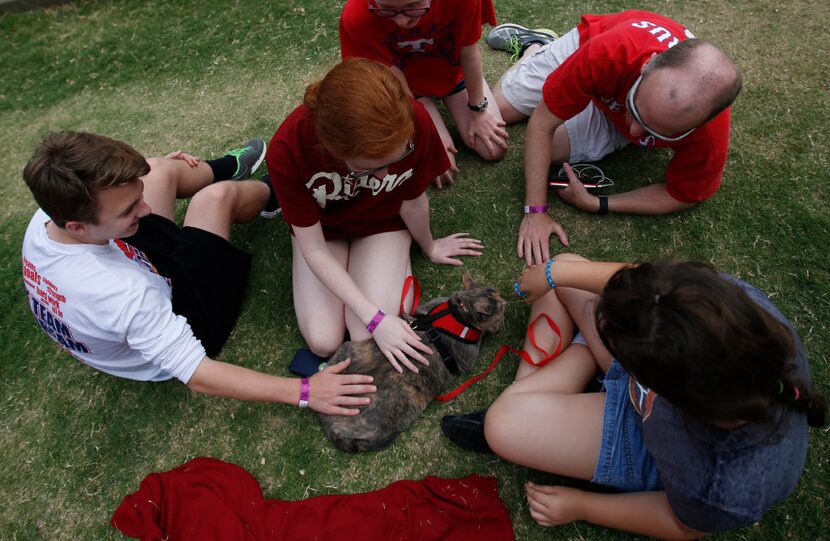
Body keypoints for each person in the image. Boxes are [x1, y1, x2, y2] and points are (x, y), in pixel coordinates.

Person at [442, 254, 826, 537]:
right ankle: (558, 383)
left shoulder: (720, 485)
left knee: (503, 426)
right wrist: (554, 271)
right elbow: (649, 289)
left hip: (649, 445)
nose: (602, 321)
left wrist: (582, 506)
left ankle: (566, 371)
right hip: (660, 377)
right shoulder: (727, 309)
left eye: (615, 343)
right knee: (566, 281)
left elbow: (679, 522)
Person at [21, 132, 375, 415]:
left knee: (157, 170)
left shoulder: (47, 219)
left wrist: (135, 196)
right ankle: (278, 189)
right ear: (78, 226)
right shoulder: (126, 297)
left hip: (136, 266)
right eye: (130, 209)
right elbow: (198, 374)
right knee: (214, 200)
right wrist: (306, 392)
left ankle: (224, 166)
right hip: (185, 313)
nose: (145, 209)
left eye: (138, 198)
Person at [264, 58, 483, 375]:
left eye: (397, 159)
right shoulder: (288, 147)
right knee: (323, 341)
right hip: (323, 234)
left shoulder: (413, 120)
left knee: (364, 334)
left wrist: (430, 246)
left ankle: (394, 266)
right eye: (370, 168)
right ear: (333, 149)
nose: (384, 177)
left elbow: (412, 200)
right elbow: (313, 249)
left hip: (384, 222)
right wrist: (378, 317)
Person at [485, 11, 742, 265]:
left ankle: (610, 103)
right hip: (589, 53)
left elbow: (683, 194)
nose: (634, 133)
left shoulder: (709, 134)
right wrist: (536, 212)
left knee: (548, 152)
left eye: (655, 132)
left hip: (610, 96)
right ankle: (536, 45)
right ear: (646, 66)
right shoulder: (608, 51)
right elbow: (542, 123)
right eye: (636, 111)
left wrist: (600, 204)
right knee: (497, 112)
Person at [340, 0, 508, 188]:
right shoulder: (357, 13)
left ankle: (530, 53)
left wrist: (479, 112)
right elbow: (394, 78)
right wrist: (426, 133)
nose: (401, 21)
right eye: (387, 10)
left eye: (413, 6)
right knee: (441, 164)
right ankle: (429, 106)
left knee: (493, 148)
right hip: (408, 88)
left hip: (453, 74)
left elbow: (468, 51)